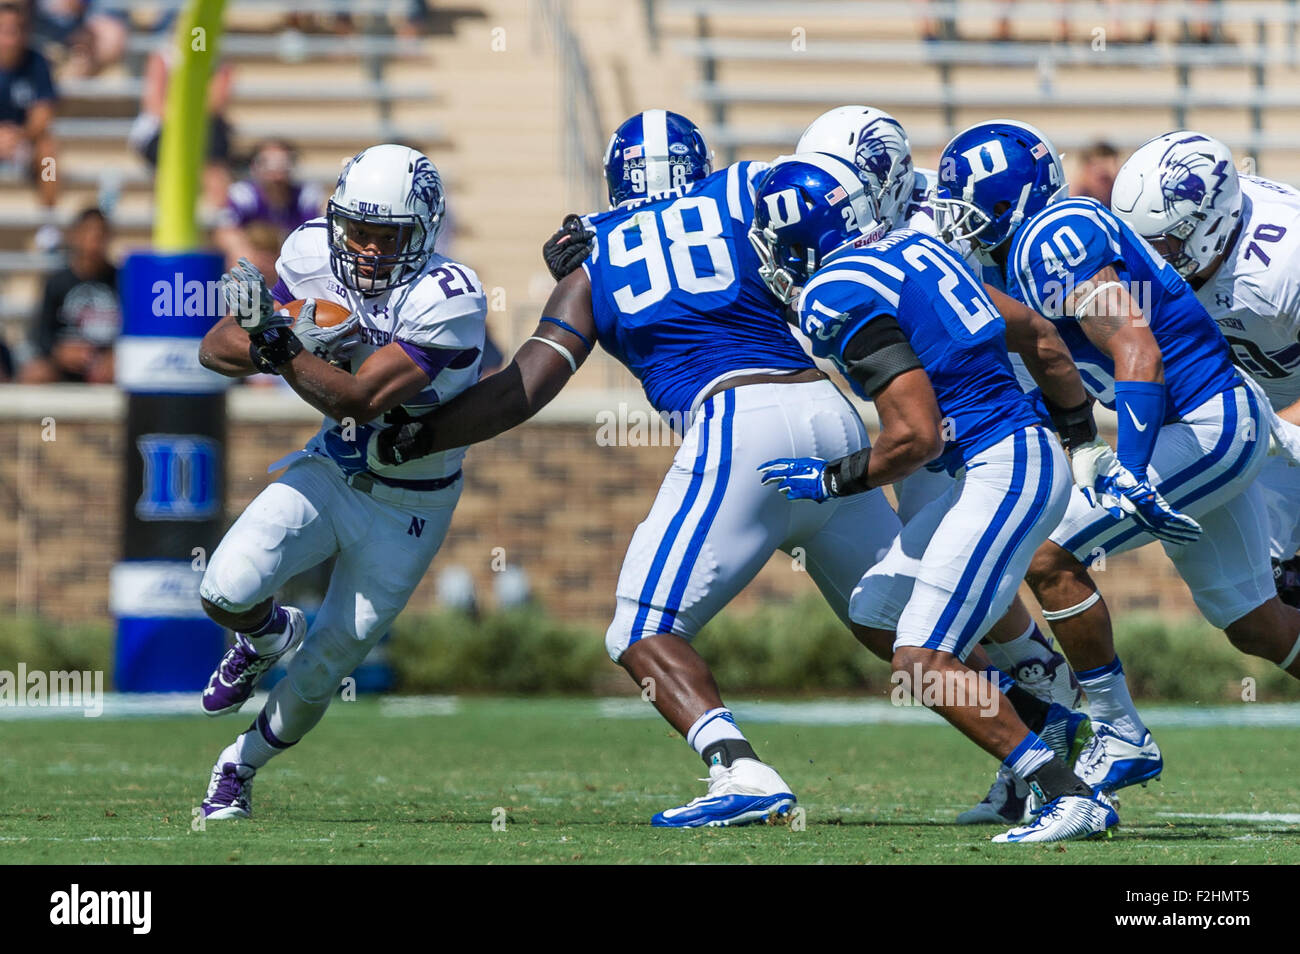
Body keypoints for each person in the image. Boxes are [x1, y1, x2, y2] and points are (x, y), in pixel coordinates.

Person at [363, 110, 1087, 831]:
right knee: (889, 617)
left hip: (737, 422)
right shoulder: (746, 190)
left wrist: (422, 436)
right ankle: (1040, 734)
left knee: (641, 627)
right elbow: (840, 191)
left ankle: (738, 769)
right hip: (826, 412)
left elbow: (528, 383)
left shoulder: (596, 258)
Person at [753, 151, 1110, 843]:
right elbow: (1041, 338)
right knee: (878, 605)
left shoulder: (834, 293)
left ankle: (1064, 790)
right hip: (1010, 458)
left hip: (996, 469)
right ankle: (1045, 719)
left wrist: (831, 479)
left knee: (921, 660)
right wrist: (1078, 438)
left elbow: (912, 437)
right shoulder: (920, 246)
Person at [935, 120, 1300, 794]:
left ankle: (1119, 735)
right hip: (1195, 426)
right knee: (1261, 625)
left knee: (1048, 556)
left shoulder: (1052, 235)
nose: (959, 224)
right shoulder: (1026, 250)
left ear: (1010, 199)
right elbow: (1056, 366)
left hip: (1206, 423)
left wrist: (1127, 464)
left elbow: (1137, 347)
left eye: (969, 208)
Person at [193, 144, 488, 819]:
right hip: (334, 468)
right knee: (222, 589)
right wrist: (270, 331)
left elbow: (358, 399)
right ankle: (268, 634)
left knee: (327, 666)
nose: (368, 249)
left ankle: (239, 765)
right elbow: (214, 349)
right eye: (357, 230)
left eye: (388, 235)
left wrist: (282, 344)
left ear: (424, 231)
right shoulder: (308, 256)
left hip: (411, 504)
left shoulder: (448, 297)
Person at [1111, 131, 1300, 608]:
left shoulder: (1285, 263)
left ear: (1210, 222)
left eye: (1163, 243)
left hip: (1284, 419)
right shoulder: (1200, 231)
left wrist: (1278, 429)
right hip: (1269, 414)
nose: (1151, 259)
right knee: (1268, 591)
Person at [19, 206, 117, 383]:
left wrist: (113, 355)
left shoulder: (122, 281)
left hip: (107, 363)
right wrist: (60, 353)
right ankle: (45, 412)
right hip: (63, 365)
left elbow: (132, 330)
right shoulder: (57, 283)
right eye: (88, 232)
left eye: (100, 233)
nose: (94, 239)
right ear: (75, 236)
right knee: (34, 374)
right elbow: (42, 333)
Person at [214, 139, 325, 267]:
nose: (276, 171)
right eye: (267, 163)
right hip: (254, 256)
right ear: (254, 166)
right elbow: (225, 231)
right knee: (241, 257)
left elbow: (316, 236)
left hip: (292, 260)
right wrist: (250, 253)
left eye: (283, 163)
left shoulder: (305, 196)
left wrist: (283, 256)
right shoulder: (244, 194)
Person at [0, 2, 58, 248]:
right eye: (4, 29)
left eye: (17, 29)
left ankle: (48, 221)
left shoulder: (37, 62)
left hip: (23, 143)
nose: (11, 37)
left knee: (50, 155)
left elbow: (44, 112)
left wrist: (20, 136)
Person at [1072, 140, 1121, 205]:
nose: (1105, 186)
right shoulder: (1074, 201)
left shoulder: (1120, 198)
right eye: (1102, 179)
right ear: (1086, 170)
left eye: (1107, 179)